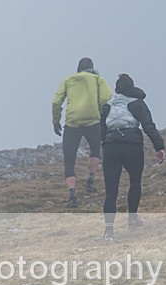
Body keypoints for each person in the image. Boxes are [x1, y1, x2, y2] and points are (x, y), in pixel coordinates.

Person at [99, 74, 165, 241]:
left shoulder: (106, 106)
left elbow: (101, 131)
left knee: (111, 190)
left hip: (111, 147)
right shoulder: (138, 103)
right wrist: (159, 147)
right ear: (132, 88)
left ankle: (109, 231)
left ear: (116, 90)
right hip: (133, 146)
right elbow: (149, 126)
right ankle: (132, 218)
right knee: (135, 181)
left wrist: (105, 146)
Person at [52, 57, 112, 208]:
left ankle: (72, 194)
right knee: (95, 150)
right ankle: (90, 181)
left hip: (72, 122)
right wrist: (99, 111)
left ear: (78, 68)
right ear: (91, 67)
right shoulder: (97, 79)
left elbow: (56, 102)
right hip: (93, 120)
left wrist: (56, 121)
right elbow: (107, 97)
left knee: (69, 158)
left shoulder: (68, 80)